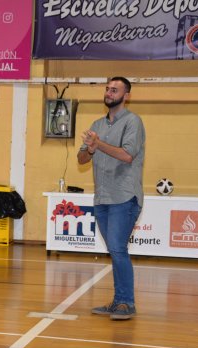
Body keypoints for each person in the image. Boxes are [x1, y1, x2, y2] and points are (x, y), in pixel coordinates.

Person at [77, 76, 145, 320]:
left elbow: (127, 155)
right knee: (115, 251)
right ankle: (118, 302)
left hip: (124, 196)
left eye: (114, 90)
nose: (109, 93)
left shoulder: (133, 122)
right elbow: (82, 159)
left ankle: (127, 302)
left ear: (126, 95)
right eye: (107, 89)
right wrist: (91, 148)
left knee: (117, 249)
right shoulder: (97, 123)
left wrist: (99, 144)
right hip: (102, 198)